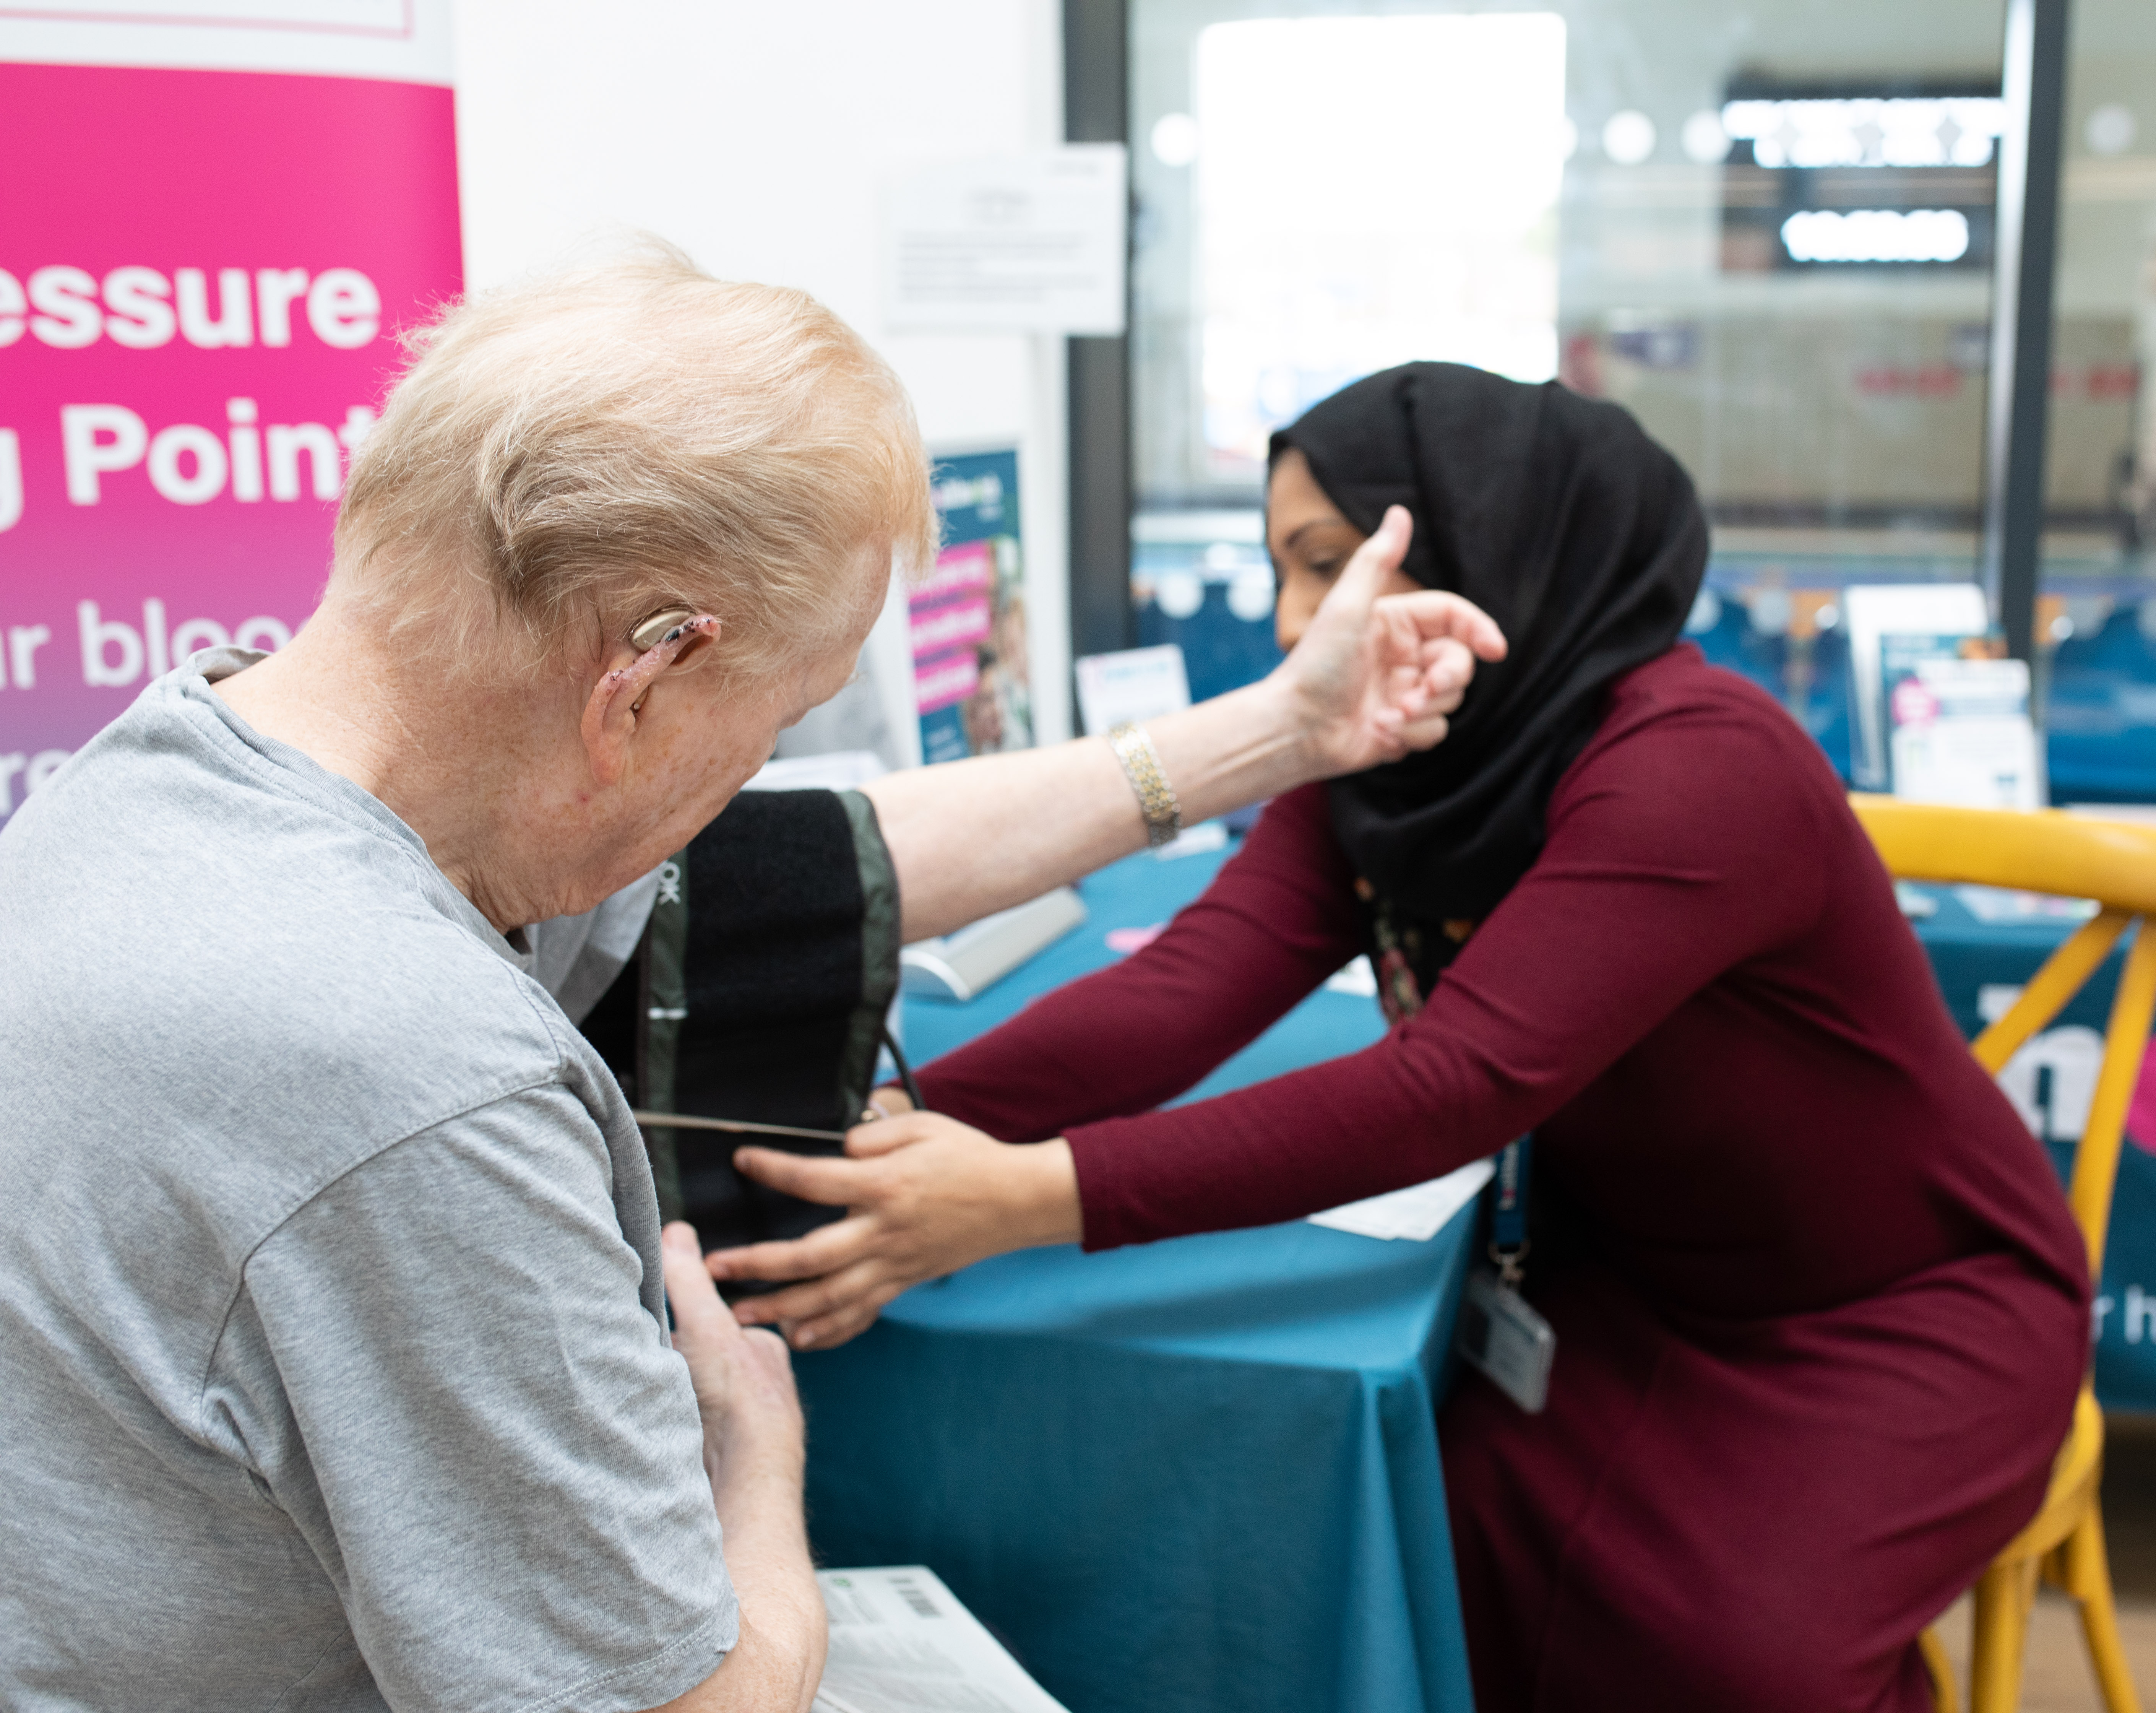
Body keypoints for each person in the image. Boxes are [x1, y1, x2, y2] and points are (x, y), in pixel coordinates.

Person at [0, 258, 1499, 1713]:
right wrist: (752, 1456)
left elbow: (826, 867)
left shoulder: (162, 776)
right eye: (777, 721)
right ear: (640, 685)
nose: (753, 785)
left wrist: (1284, 730)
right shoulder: (414, 1081)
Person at [702, 362, 2092, 1710]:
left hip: (1897, 1310)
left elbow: (1454, 1087)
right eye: (1287, 574)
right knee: (1447, 1544)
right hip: (1633, 1285)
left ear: (1491, 544)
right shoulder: (1400, 744)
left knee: (1739, 1658)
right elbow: (1190, 987)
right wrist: (855, 1129)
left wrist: (1022, 1196)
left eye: (1332, 561)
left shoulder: (1697, 765)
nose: (1308, 617)